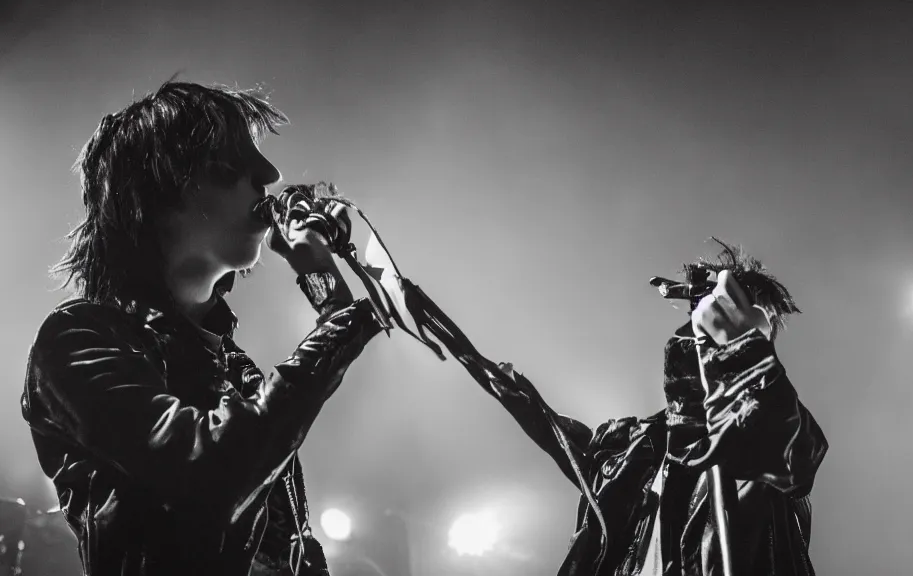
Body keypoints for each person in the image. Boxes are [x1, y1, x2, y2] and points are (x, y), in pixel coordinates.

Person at [21, 81, 384, 575]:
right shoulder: (77, 340)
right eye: (231, 162)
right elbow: (206, 477)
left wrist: (327, 285)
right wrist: (338, 321)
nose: (270, 174)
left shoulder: (237, 367)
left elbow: (290, 549)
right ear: (161, 188)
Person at [383, 240, 829, 576]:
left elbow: (794, 454)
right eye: (740, 319)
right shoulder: (635, 449)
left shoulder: (766, 446)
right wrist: (462, 348)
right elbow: (567, 441)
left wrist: (742, 353)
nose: (746, 332)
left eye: (758, 330)